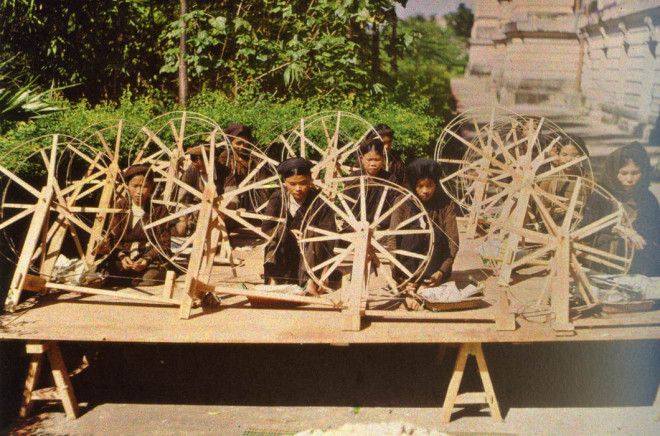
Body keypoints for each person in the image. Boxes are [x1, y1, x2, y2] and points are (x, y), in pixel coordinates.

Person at [582, 142, 659, 276]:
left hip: (638, 256)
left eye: (635, 173)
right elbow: (587, 227)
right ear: (613, 171)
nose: (629, 179)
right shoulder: (602, 195)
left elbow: (654, 232)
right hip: (603, 257)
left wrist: (638, 234)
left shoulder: (648, 198)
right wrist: (620, 230)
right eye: (623, 173)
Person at [262, 158, 337, 294]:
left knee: (313, 231)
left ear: (310, 181)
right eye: (292, 184)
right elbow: (266, 228)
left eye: (303, 183)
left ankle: (310, 283)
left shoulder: (319, 200)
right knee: (275, 234)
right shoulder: (278, 198)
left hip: (312, 256)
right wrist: (288, 231)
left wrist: (326, 272)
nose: (298, 188)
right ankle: (273, 280)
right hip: (285, 254)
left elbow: (329, 237)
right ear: (285, 182)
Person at [389, 158, 460, 290]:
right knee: (413, 233)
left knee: (436, 233)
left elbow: (453, 240)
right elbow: (392, 238)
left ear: (436, 184)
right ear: (412, 185)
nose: (425, 191)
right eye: (420, 186)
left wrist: (442, 271)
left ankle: (426, 281)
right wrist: (397, 274)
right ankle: (408, 280)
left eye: (430, 185)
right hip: (406, 268)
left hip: (435, 267)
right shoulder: (402, 202)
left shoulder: (445, 203)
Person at [97, 165, 171, 287]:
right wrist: (121, 256)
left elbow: (164, 243)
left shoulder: (159, 210)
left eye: (144, 186)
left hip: (148, 257)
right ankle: (125, 277)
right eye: (135, 186)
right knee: (107, 271)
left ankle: (127, 278)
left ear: (151, 188)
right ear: (127, 186)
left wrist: (147, 259)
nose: (139, 192)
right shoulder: (120, 207)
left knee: (150, 277)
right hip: (124, 256)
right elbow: (113, 238)